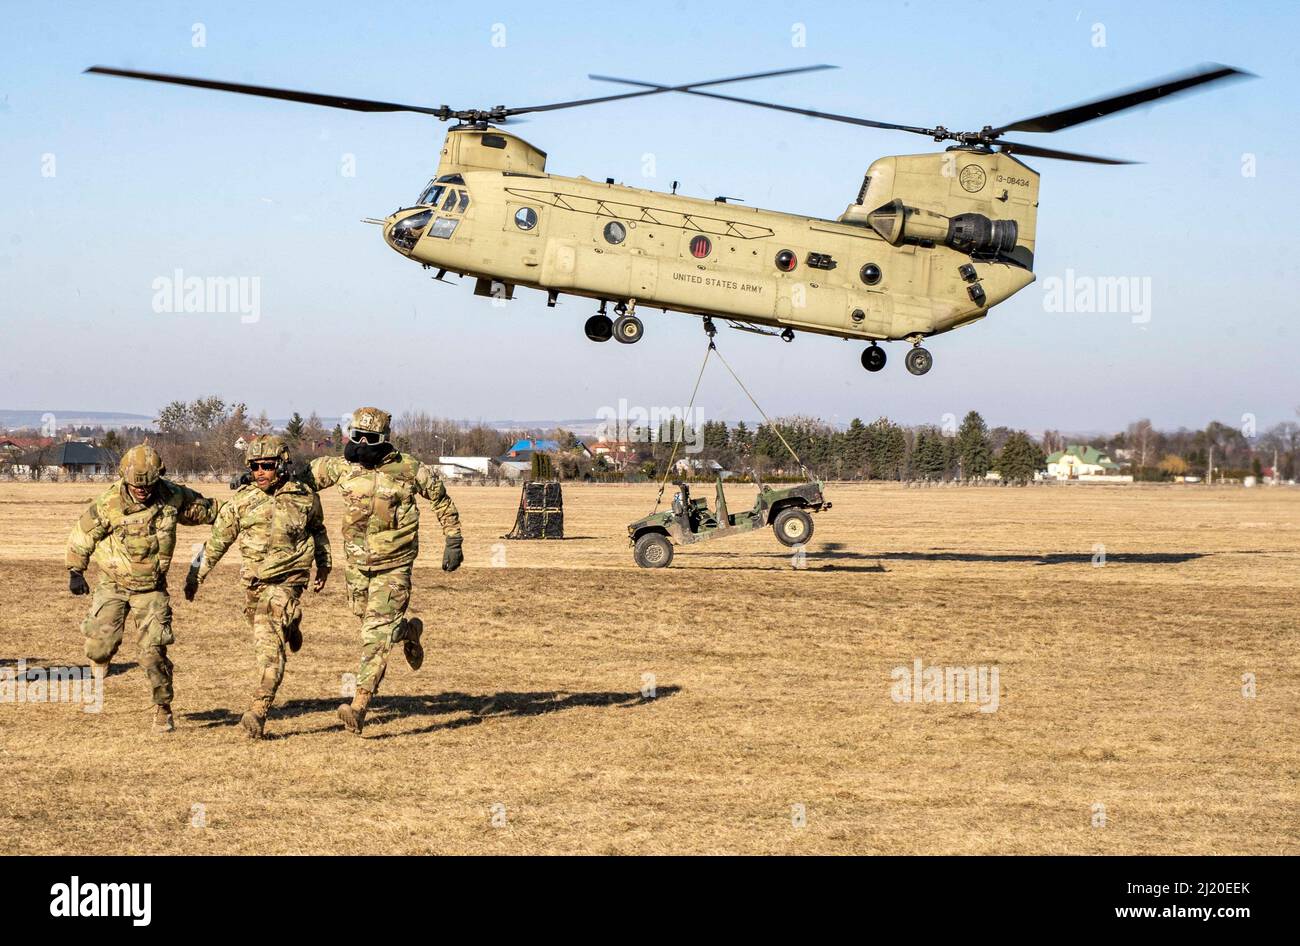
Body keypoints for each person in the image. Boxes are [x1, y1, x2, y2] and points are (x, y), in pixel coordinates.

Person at [303, 407, 462, 735]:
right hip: (358, 565)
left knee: (374, 637)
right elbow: (298, 480)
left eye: (369, 439)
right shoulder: (342, 467)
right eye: (355, 437)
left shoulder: (408, 469)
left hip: (395, 564)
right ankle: (408, 632)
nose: (360, 444)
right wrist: (255, 483)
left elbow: (441, 499)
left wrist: (453, 539)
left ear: (383, 440)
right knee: (366, 619)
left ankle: (359, 705)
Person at [66, 443, 220, 733]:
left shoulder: (172, 496)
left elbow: (209, 511)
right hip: (113, 584)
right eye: (137, 485)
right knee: (100, 648)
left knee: (153, 653)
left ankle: (162, 708)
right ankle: (101, 657)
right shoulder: (109, 502)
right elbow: (82, 534)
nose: (143, 490)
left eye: (149, 484)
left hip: (151, 589)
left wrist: (244, 508)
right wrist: (76, 570)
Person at [185, 435, 331, 739]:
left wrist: (324, 563)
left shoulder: (304, 497)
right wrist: (195, 575)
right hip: (254, 584)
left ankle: (258, 710)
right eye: (255, 467)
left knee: (269, 651)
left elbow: (318, 530)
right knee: (258, 621)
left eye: (267, 465)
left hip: (288, 582)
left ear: (282, 464)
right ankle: (292, 623)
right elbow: (216, 543)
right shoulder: (242, 501)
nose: (260, 472)